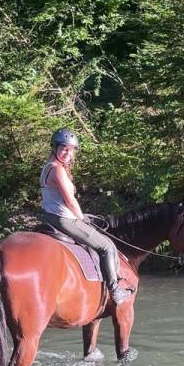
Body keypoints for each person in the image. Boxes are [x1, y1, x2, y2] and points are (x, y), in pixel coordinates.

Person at [40, 128, 134, 305]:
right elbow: (70, 201)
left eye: (71, 149)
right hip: (64, 218)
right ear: (55, 148)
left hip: (50, 216)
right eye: (64, 148)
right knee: (107, 246)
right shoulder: (57, 170)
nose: (68, 153)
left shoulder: (47, 167)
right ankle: (115, 291)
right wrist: (82, 218)